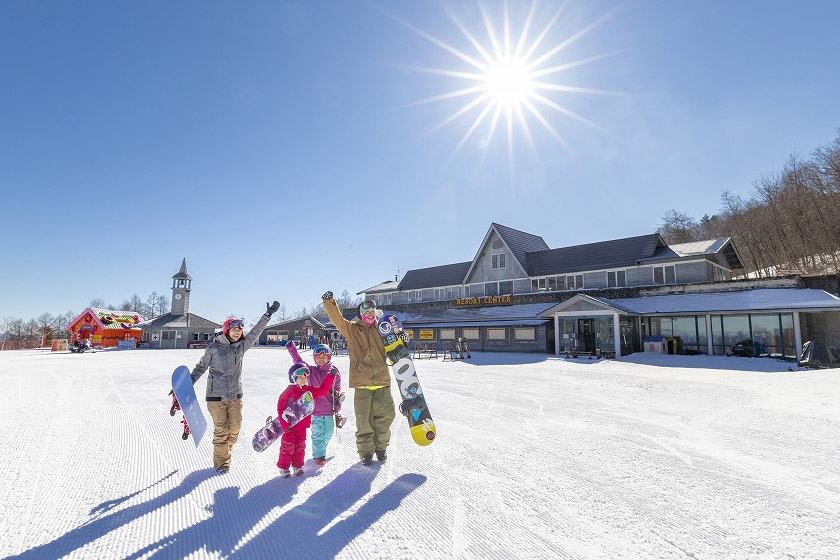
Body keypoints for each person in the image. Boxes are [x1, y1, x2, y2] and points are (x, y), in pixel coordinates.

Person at [190, 301, 280, 474]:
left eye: (240, 330)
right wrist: (191, 380)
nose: (238, 333)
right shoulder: (213, 348)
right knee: (221, 430)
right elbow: (201, 367)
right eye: (234, 330)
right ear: (227, 330)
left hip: (235, 396)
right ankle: (222, 462)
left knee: (235, 428)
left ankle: (224, 450)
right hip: (216, 398)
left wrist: (267, 315)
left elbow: (255, 333)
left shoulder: (241, 347)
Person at [322, 291, 394, 466]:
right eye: (366, 310)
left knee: (386, 417)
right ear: (361, 313)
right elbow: (337, 319)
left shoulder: (382, 329)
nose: (370, 313)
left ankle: (381, 448)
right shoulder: (353, 329)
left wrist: (402, 340)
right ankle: (366, 452)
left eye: (373, 311)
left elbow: (395, 346)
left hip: (382, 382)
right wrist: (329, 302)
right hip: (362, 385)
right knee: (364, 422)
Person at [286, 341, 345, 465]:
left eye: (323, 357)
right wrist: (292, 349)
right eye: (318, 357)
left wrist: (338, 401)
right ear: (314, 359)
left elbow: (337, 389)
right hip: (315, 410)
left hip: (328, 410)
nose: (321, 359)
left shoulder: (334, 371)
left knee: (328, 433)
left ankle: (320, 447)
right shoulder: (311, 371)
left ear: (329, 357)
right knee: (317, 433)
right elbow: (298, 362)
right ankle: (319, 455)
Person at [275, 362, 336, 478]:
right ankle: (284, 467)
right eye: (300, 377)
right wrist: (284, 424)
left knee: (300, 447)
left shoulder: (309, 391)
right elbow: (280, 408)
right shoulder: (288, 392)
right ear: (293, 378)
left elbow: (323, 390)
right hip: (289, 427)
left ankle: (297, 466)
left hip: (302, 426)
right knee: (287, 447)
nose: (303, 379)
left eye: (305, 377)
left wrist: (331, 376)